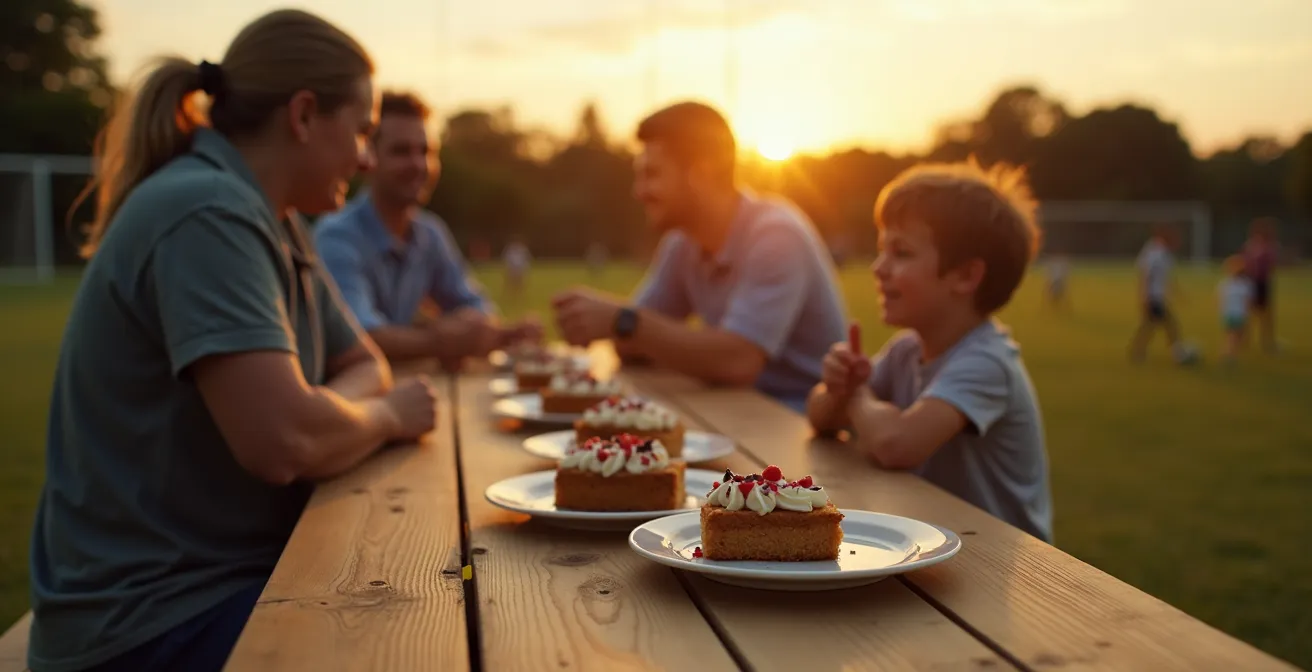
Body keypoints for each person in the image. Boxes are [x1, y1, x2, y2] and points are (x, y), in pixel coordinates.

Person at [28, 11, 438, 672]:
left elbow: (367, 362)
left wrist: (322, 411)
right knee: (415, 642)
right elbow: (285, 442)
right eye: (361, 130)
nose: (365, 157)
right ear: (303, 115)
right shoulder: (206, 213)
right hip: (149, 624)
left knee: (422, 598)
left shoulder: (271, 217)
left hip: (217, 587)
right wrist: (383, 417)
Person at [806, 161, 1052, 543]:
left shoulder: (988, 361)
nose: (879, 267)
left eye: (901, 253)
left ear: (965, 276)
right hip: (941, 539)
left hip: (1004, 564)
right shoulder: (906, 350)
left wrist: (855, 392)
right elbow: (820, 418)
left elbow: (895, 445)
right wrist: (837, 386)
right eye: (881, 249)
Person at [551, 102, 847, 412]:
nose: (638, 192)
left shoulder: (776, 235)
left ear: (702, 174)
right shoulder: (683, 244)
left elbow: (738, 361)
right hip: (737, 409)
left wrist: (623, 321)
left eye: (651, 174)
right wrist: (623, 325)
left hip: (800, 420)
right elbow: (631, 345)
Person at [314, 91, 539, 367]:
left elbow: (475, 307)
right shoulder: (337, 237)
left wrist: (493, 330)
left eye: (426, 151)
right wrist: (441, 339)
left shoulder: (429, 233)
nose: (418, 165)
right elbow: (358, 336)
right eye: (401, 151)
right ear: (367, 158)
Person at [1129, 226, 1196, 364]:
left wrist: (1178, 293)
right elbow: (1146, 275)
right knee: (1168, 326)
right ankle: (1179, 355)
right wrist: (1144, 295)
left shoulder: (1163, 254)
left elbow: (1167, 278)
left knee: (1150, 326)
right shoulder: (1156, 254)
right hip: (1154, 297)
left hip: (1158, 297)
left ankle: (1138, 352)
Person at [1242, 217, 1279, 354]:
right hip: (1252, 283)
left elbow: (1271, 265)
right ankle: (1245, 339)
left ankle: (1267, 341)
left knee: (1266, 315)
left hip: (1263, 283)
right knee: (1249, 313)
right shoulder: (1251, 246)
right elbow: (1245, 263)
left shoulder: (1269, 247)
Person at [1217, 255, 1254, 365]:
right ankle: (1228, 355)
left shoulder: (1224, 284)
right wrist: (1247, 313)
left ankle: (1229, 353)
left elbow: (1220, 299)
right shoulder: (1246, 285)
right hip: (1239, 314)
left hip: (1227, 314)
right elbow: (1248, 301)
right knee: (1235, 336)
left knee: (1231, 335)